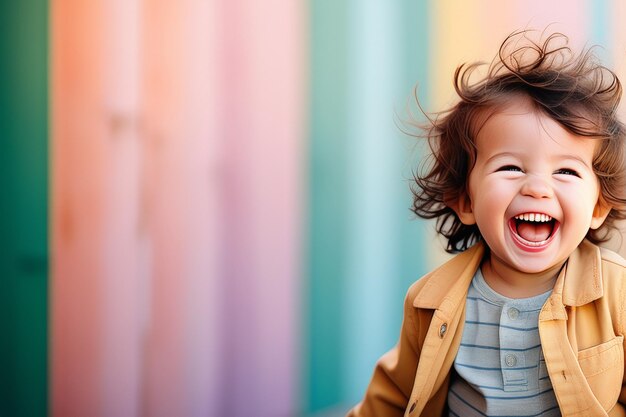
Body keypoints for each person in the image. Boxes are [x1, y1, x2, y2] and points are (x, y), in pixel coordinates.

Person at [347, 30, 626, 417]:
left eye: (566, 171)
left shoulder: (617, 292)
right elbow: (393, 397)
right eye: (510, 167)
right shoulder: (432, 300)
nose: (538, 188)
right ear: (465, 201)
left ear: (598, 206)